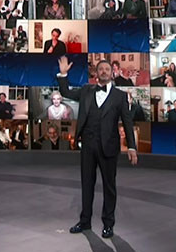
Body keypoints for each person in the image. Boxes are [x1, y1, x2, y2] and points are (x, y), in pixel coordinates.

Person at [57, 56, 137, 238]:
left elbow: (127, 122)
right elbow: (66, 92)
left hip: (109, 147)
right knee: (87, 185)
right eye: (101, 69)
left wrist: (131, 147)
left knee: (109, 187)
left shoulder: (120, 96)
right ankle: (85, 222)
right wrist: (63, 74)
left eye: (107, 69)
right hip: (88, 146)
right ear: (96, 73)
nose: (104, 72)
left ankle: (108, 224)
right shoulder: (86, 90)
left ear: (112, 73)